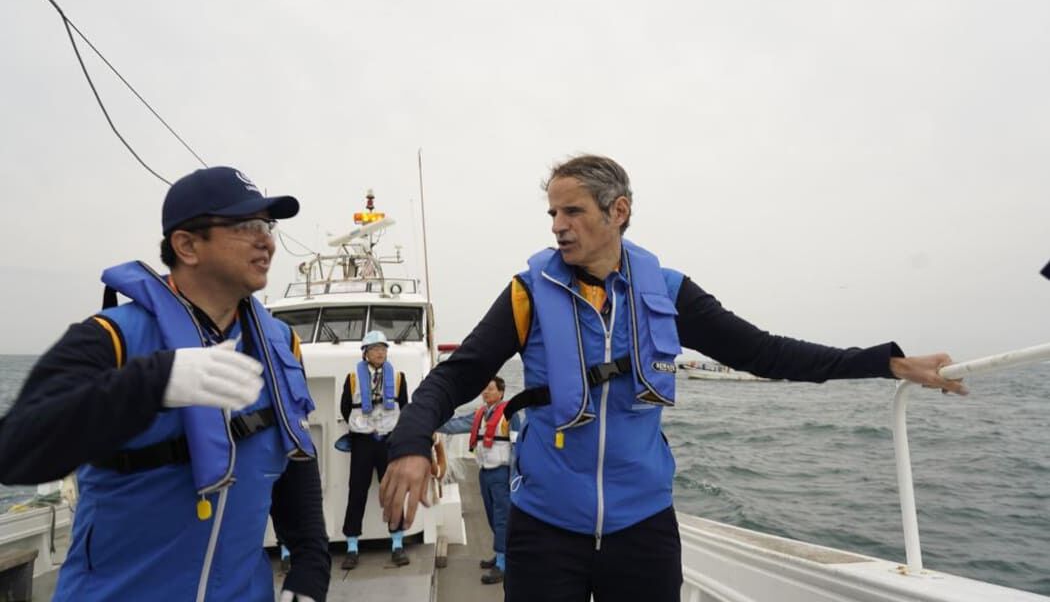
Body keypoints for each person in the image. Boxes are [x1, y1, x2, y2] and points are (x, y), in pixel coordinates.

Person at [378, 155, 967, 602]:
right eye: (552, 213)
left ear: (619, 211)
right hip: (545, 524)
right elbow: (459, 374)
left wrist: (885, 362)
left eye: (573, 211)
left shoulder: (670, 293)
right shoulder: (529, 292)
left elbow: (767, 354)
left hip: (642, 526)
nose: (558, 225)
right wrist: (409, 442)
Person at [0, 166, 330, 602]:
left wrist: (310, 567)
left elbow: (291, 450)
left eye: (267, 226)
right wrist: (154, 382)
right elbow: (16, 451)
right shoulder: (110, 338)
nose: (267, 240)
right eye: (247, 226)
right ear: (187, 245)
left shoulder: (280, 343)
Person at [437, 376, 521, 585]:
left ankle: (503, 564)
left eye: (490, 389)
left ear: (501, 393)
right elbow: (454, 425)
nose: (485, 393)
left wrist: (515, 477)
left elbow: (518, 447)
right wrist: (431, 421)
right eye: (484, 389)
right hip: (484, 473)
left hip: (502, 474)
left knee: (502, 518)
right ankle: (501, 553)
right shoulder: (480, 415)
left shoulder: (511, 414)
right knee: (492, 516)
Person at [339, 329, 410, 569]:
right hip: (362, 441)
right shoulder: (352, 378)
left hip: (388, 440)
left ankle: (397, 544)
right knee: (356, 490)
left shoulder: (398, 378)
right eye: (376, 349)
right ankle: (351, 546)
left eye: (383, 348)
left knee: (393, 491)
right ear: (365, 354)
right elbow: (345, 407)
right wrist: (364, 427)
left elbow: (405, 406)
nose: (381, 352)